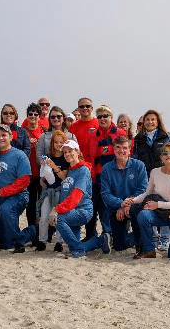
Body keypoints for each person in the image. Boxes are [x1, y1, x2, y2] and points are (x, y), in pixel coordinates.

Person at [48, 140, 111, 259]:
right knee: (74, 247)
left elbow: (76, 196)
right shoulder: (71, 171)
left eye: (70, 151)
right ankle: (100, 241)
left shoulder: (83, 170)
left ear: (77, 151)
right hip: (71, 210)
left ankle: (81, 248)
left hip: (82, 210)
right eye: (65, 152)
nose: (67, 154)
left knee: (59, 219)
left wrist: (57, 209)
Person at [128, 142, 170, 259]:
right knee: (143, 215)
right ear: (161, 157)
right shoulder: (155, 172)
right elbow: (147, 193)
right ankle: (149, 250)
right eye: (165, 153)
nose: (168, 156)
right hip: (160, 215)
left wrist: (158, 204)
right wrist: (132, 200)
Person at [0, 125, 36, 252]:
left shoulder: (19, 155)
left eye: (4, 135)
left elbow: (24, 181)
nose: (0, 138)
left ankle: (30, 232)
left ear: (11, 137)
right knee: (4, 244)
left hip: (18, 195)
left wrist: (1, 192)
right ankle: (28, 233)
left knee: (5, 209)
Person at [100, 136, 148, 252]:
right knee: (119, 247)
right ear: (113, 149)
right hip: (117, 209)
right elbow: (105, 194)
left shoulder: (139, 165)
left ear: (129, 150)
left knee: (140, 240)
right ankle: (133, 238)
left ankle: (144, 238)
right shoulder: (107, 168)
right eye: (118, 147)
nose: (121, 151)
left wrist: (128, 204)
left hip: (135, 207)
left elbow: (143, 189)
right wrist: (120, 204)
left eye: (125, 148)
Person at [87, 105, 127, 239]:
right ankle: (95, 235)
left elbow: (125, 154)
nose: (103, 119)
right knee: (95, 208)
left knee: (112, 207)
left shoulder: (120, 133)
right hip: (97, 178)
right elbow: (91, 157)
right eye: (100, 116)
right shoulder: (93, 135)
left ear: (111, 117)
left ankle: (113, 235)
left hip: (116, 177)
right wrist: (92, 177)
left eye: (106, 116)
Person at [36, 130, 70, 251]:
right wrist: (44, 171)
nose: (58, 144)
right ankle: (42, 240)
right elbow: (42, 179)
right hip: (48, 191)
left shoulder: (66, 159)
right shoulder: (48, 156)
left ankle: (59, 242)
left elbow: (64, 176)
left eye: (61, 142)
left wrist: (54, 167)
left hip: (61, 191)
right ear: (52, 143)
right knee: (44, 216)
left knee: (59, 217)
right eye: (56, 142)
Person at [24, 102, 46, 226]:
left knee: (43, 203)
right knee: (31, 204)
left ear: (39, 116)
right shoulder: (22, 132)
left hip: (42, 173)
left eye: (35, 114)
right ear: (27, 116)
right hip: (28, 173)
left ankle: (44, 232)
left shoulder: (44, 131)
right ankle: (32, 230)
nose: (33, 116)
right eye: (30, 114)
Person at [133, 109, 170, 176]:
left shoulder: (165, 138)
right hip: (144, 176)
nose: (150, 122)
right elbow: (136, 158)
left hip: (161, 174)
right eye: (147, 120)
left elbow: (169, 157)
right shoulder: (138, 139)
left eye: (153, 119)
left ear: (157, 122)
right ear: (144, 122)